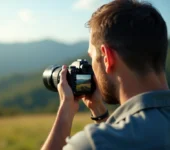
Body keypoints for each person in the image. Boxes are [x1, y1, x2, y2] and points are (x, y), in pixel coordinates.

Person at [41, 0, 170, 149]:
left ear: (107, 58)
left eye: (93, 58)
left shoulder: (93, 143)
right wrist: (98, 110)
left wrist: (66, 111)